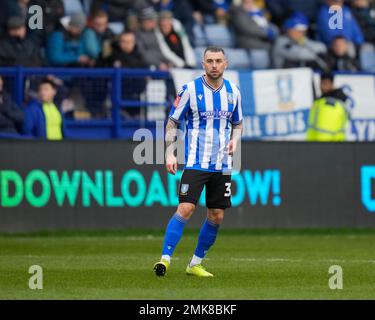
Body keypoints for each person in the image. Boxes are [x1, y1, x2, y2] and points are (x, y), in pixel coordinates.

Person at [153, 46, 243, 277]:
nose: (214, 65)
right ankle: (164, 259)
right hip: (195, 162)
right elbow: (172, 122)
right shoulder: (190, 90)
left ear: (226, 63)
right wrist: (170, 153)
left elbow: (238, 123)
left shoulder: (233, 92)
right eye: (209, 61)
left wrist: (235, 141)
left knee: (217, 215)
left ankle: (195, 264)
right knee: (186, 208)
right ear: (203, 64)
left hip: (222, 165)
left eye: (218, 61)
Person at [307, 72, 350, 141]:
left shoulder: (334, 103)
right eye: (322, 83)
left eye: (326, 83)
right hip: (317, 144)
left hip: (330, 144)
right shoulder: (320, 101)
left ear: (332, 84)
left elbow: (327, 128)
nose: (323, 86)